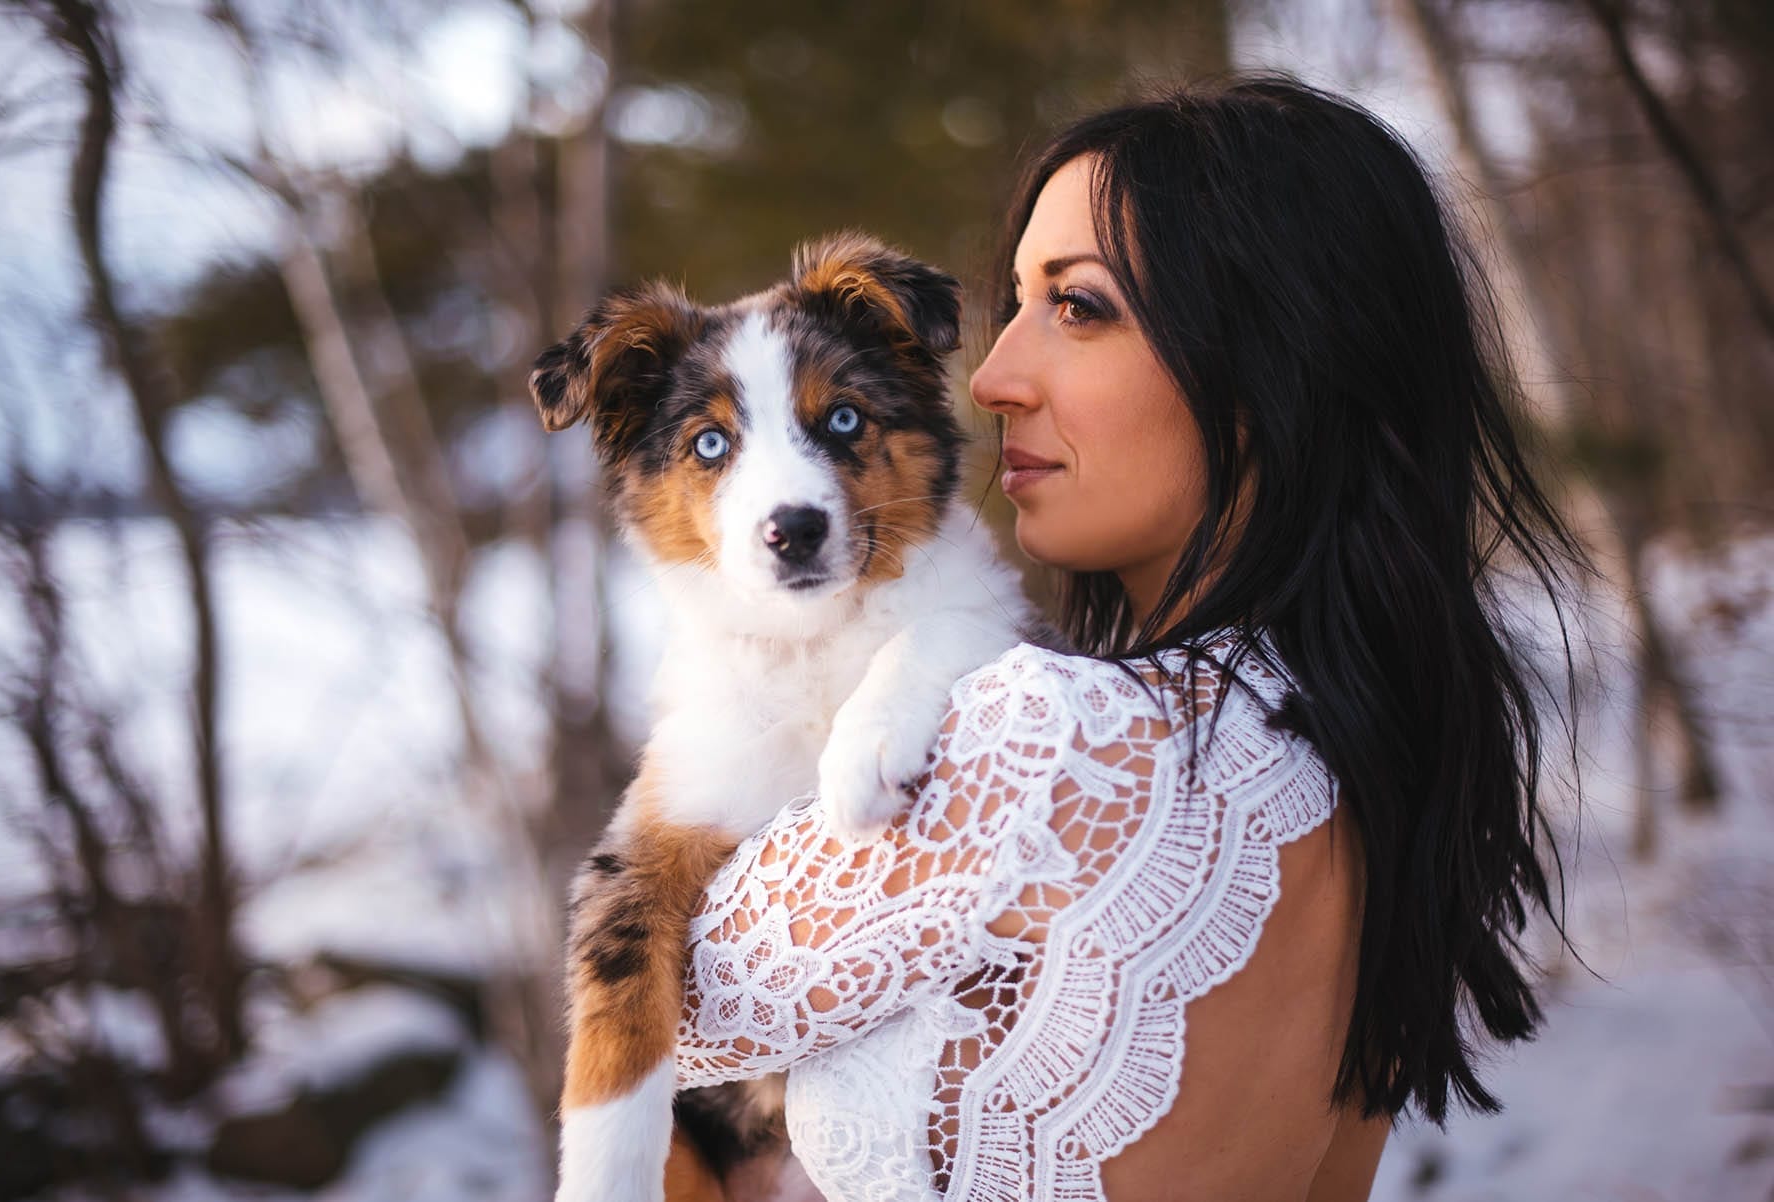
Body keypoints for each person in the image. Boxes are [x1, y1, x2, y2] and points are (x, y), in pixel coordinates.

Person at [674, 77, 1583, 1202]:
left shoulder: (1059, 740)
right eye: (1015, 303)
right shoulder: (1367, 757)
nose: (996, 377)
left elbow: (659, 991)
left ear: (1273, 360)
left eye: (1079, 307)